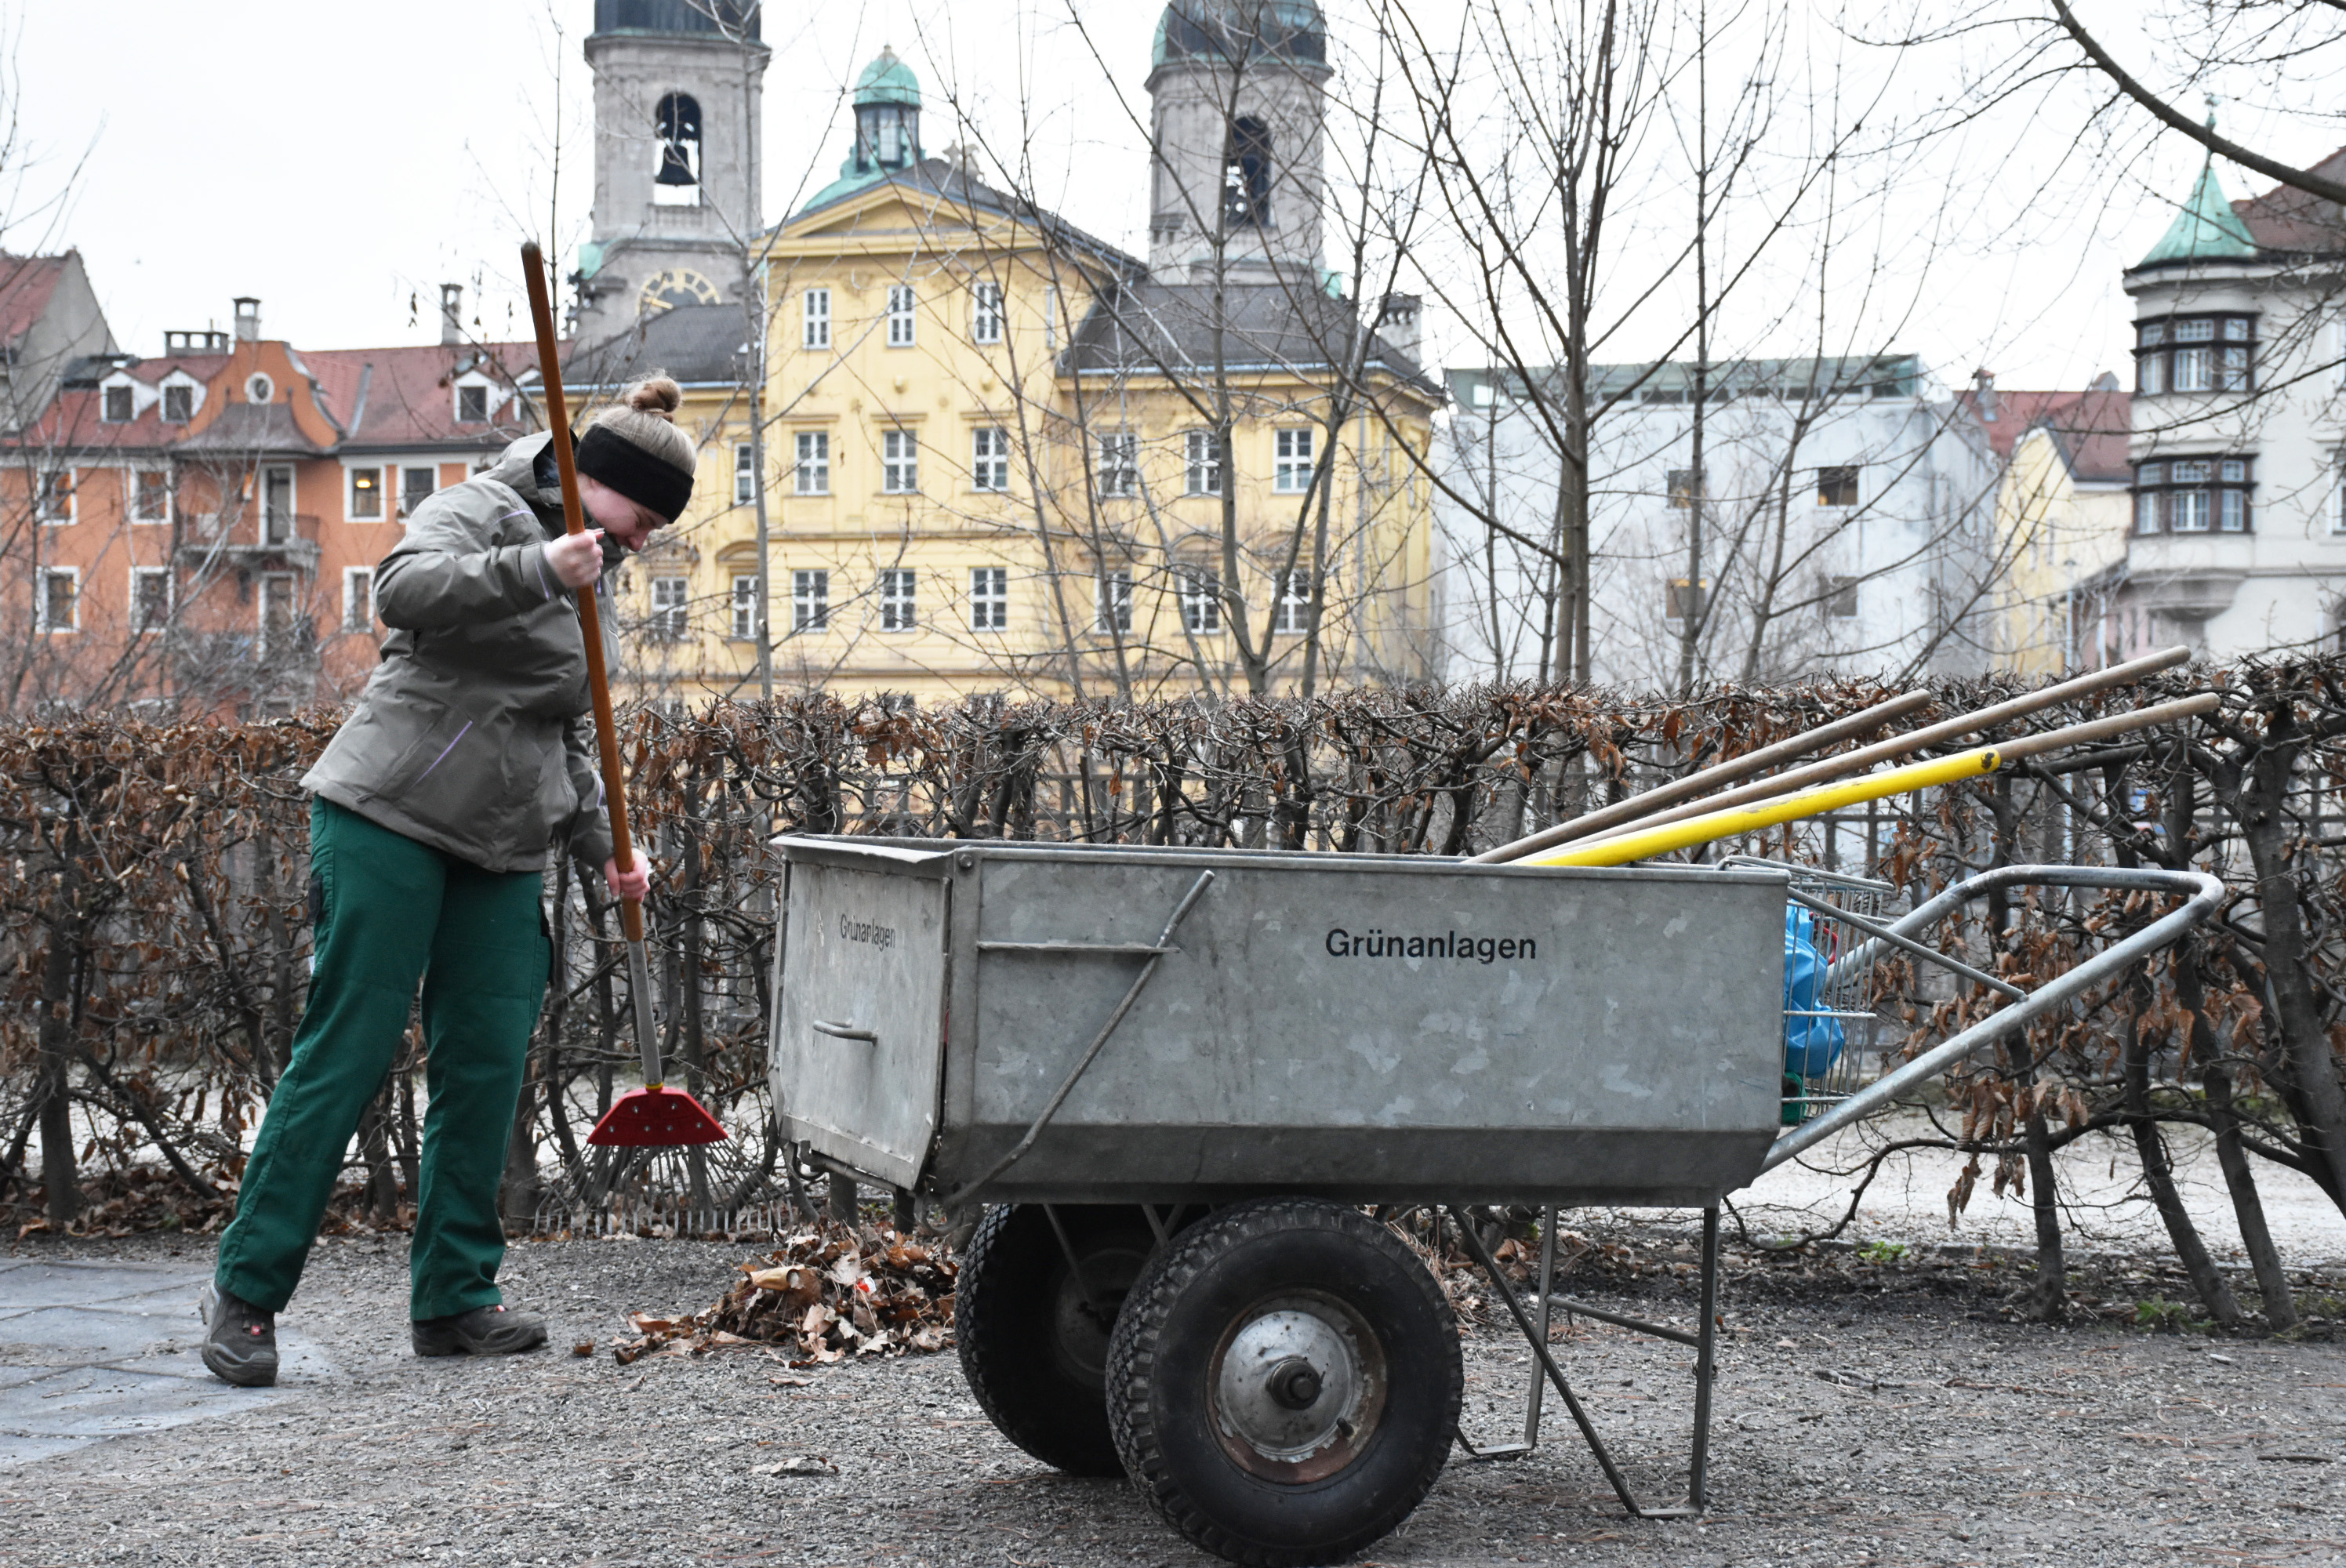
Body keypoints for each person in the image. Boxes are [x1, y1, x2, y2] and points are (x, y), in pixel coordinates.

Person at [199, 377, 697, 1387]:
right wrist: (536, 567)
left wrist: (610, 845)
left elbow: (569, 729)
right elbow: (402, 589)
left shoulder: (593, 574)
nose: (643, 541)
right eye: (642, 517)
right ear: (593, 480)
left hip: (502, 846)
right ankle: (247, 1295)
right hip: (390, 813)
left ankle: (456, 1299)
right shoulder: (484, 508)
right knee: (348, 1049)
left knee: (485, 1065)